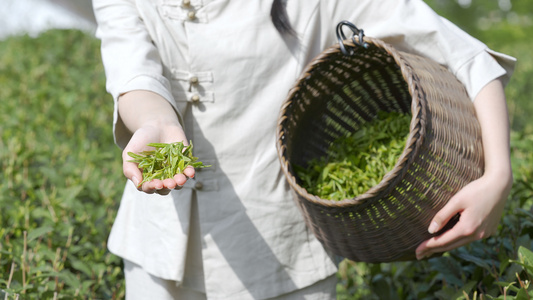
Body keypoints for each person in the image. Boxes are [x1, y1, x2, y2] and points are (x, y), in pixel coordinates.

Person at [92, 0, 515, 299]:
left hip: (283, 258)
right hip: (159, 252)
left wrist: (497, 176)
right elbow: (134, 75)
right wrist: (159, 123)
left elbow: (466, 56)